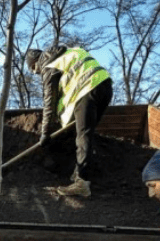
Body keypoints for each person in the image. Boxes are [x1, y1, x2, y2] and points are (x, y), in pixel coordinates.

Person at [25, 45, 113, 198]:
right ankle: (79, 172)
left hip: (87, 89)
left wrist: (45, 133)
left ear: (34, 64)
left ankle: (82, 183)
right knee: (86, 134)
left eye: (34, 70)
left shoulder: (48, 66)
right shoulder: (67, 53)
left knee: (83, 136)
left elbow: (49, 102)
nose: (36, 73)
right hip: (104, 85)